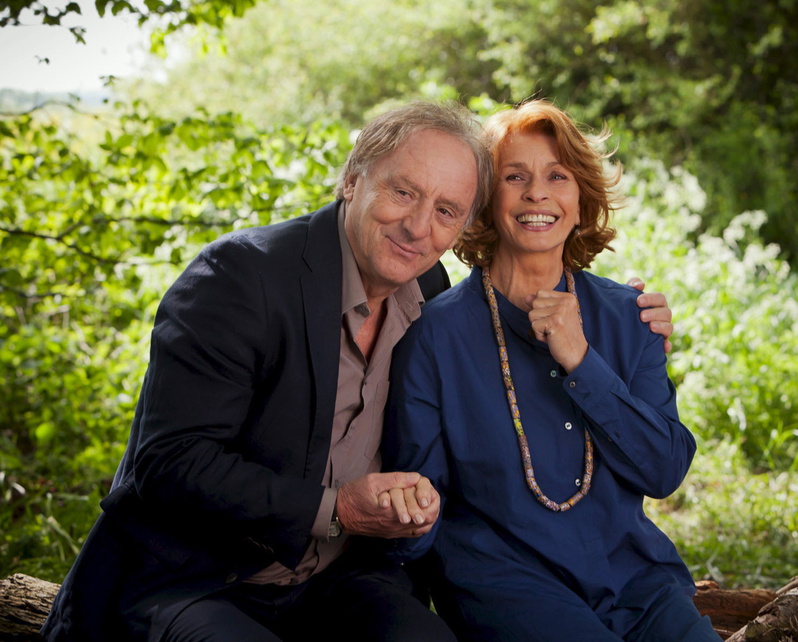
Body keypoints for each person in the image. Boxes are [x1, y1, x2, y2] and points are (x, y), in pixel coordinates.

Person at [41, 101, 675, 642]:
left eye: (446, 209)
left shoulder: (428, 290)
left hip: (337, 581)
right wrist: (337, 507)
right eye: (403, 192)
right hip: (196, 579)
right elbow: (167, 463)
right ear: (352, 179)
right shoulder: (240, 278)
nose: (418, 226)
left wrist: (627, 324)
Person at [382, 100, 718, 641]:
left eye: (557, 176)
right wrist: (404, 518)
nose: (537, 193)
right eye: (515, 176)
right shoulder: (434, 336)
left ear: (581, 202)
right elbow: (420, 507)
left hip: (635, 582)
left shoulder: (629, 317)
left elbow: (664, 472)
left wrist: (582, 360)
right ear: (485, 201)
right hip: (506, 584)